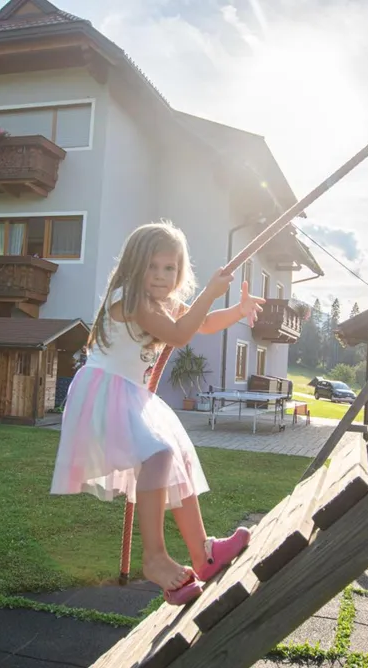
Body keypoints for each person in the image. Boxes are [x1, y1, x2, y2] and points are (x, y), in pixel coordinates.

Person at [51, 220, 265, 605]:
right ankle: (155, 558)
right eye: (154, 267)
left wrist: (235, 309)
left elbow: (200, 323)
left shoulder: (160, 301)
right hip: (103, 394)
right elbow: (180, 333)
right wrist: (212, 292)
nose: (162, 276)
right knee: (159, 454)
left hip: (130, 394)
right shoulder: (128, 298)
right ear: (136, 266)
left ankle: (204, 553)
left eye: (171, 268)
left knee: (176, 457)